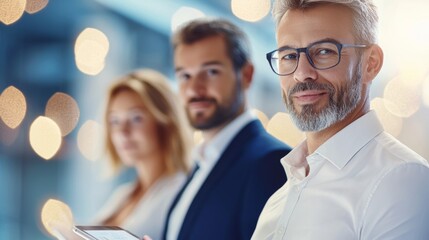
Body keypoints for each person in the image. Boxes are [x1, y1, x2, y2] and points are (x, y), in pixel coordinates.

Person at [252, 1, 429, 239]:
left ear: (371, 63)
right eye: (289, 55)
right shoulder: (279, 198)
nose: (302, 72)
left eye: (324, 51)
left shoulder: (401, 180)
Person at [161, 19, 291, 240]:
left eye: (211, 72)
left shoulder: (271, 163)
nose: (194, 89)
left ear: (247, 75)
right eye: (185, 76)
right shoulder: (202, 162)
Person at [57, 69, 193, 240]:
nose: (122, 131)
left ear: (165, 122)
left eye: (136, 118)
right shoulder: (122, 195)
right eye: (114, 121)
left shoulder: (181, 192)